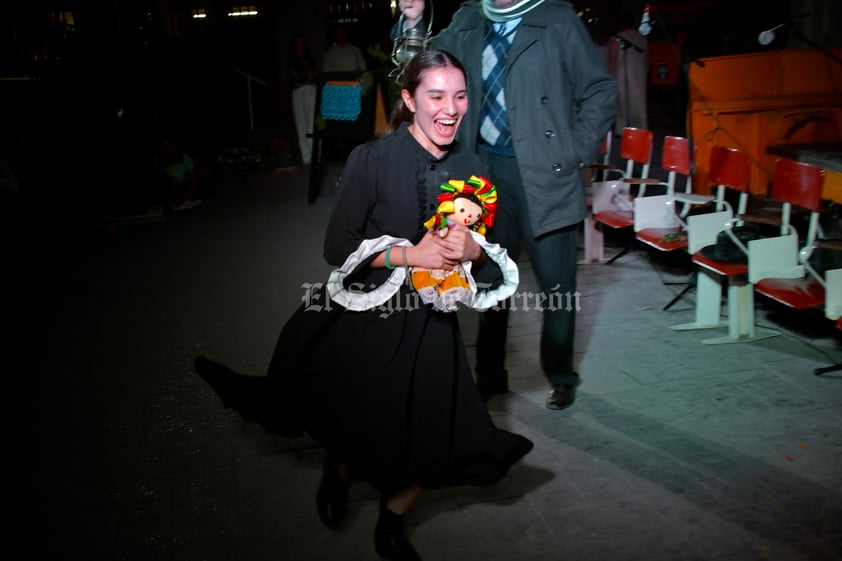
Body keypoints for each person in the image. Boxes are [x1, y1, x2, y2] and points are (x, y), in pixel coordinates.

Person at [195, 49, 533, 561]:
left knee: (432, 437)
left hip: (432, 328)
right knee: (357, 421)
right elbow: (338, 248)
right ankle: (341, 469)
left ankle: (392, 522)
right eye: (435, 95)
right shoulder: (372, 160)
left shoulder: (472, 165)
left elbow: (486, 259)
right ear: (408, 99)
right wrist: (406, 252)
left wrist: (473, 249)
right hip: (368, 316)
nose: (451, 108)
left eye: (460, 96)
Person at [432, 0, 618, 410]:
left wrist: (573, 149)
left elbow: (600, 90)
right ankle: (490, 375)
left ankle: (561, 374)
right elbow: (421, 67)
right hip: (483, 177)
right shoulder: (467, 18)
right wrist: (411, 22)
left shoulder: (555, 18)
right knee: (491, 281)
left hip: (544, 174)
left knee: (556, 286)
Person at [608, 11, 649, 134]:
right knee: (638, 105)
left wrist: (610, 76)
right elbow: (647, 59)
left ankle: (622, 131)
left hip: (620, 75)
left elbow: (612, 60)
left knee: (622, 106)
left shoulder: (615, 38)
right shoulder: (641, 39)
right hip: (639, 76)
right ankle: (640, 132)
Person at [287, 34, 319, 165]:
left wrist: (306, 75)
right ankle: (306, 158)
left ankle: (316, 155)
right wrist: (305, 75)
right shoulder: (291, 61)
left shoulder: (310, 60)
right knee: (301, 124)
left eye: (302, 43)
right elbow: (295, 78)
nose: (299, 45)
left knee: (312, 123)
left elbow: (312, 76)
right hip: (298, 92)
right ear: (294, 46)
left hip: (310, 90)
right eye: (297, 43)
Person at [159, 136, 201, 211]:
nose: (168, 148)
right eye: (165, 146)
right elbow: (164, 182)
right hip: (173, 189)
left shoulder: (184, 157)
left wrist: (183, 197)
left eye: (169, 145)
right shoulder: (162, 162)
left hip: (186, 187)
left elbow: (194, 182)